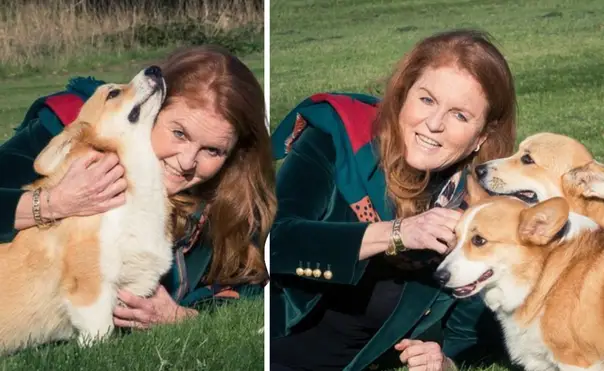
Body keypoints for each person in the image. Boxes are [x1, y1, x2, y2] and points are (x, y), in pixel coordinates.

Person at [269, 29, 517, 371]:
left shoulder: (477, 208)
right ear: (402, 96)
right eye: (427, 100)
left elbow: (473, 330)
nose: (433, 124)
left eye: (459, 115)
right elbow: (274, 242)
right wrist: (398, 233)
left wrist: (444, 361)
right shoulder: (336, 140)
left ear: (481, 137)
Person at [0, 45, 276, 329]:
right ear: (152, 106)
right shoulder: (72, 130)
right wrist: (52, 203)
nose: (187, 161)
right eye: (179, 133)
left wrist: (184, 316)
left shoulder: (232, 195)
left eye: (213, 150)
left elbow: (254, 290)